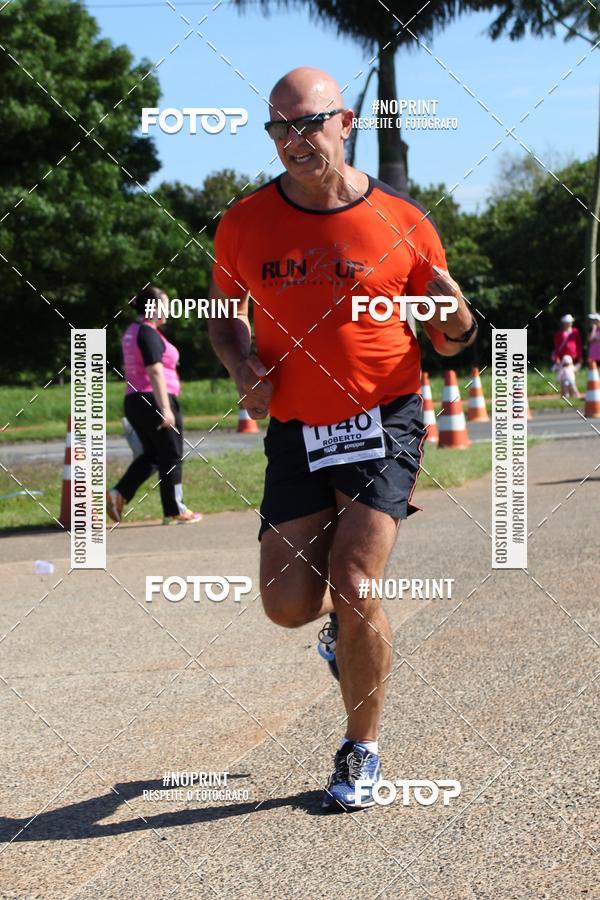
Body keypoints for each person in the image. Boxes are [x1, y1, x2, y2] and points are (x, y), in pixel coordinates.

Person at [207, 67, 476, 811]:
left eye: (308, 123)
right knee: (288, 604)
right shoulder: (244, 222)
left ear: (346, 120)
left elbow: (452, 335)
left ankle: (361, 749)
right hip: (296, 427)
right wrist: (239, 361)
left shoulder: (402, 219)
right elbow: (224, 316)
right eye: (279, 128)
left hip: (384, 415)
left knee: (356, 583)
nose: (294, 140)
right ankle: (338, 639)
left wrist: (457, 317)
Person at [107, 286, 202, 525]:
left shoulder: (132, 331)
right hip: (154, 399)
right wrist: (166, 409)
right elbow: (155, 371)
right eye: (165, 304)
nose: (168, 309)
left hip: (135, 399)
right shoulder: (147, 333)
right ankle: (175, 509)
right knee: (172, 454)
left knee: (152, 455)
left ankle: (119, 494)